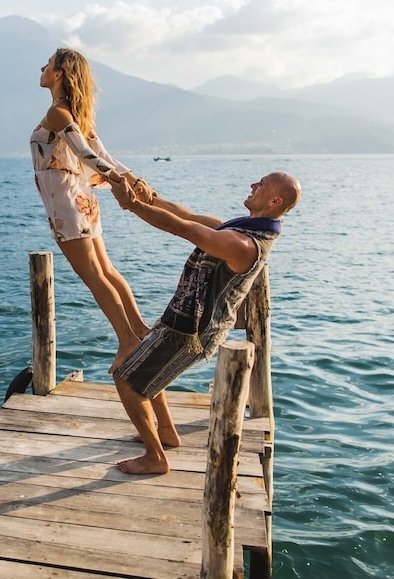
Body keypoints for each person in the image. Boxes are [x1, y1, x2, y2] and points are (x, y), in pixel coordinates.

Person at [108, 171, 301, 474]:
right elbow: (188, 216)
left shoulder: (245, 244)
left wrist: (132, 205)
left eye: (261, 184)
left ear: (275, 200)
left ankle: (155, 457)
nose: (253, 184)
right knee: (145, 371)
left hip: (194, 332)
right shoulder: (243, 228)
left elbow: (183, 228)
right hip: (182, 321)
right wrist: (151, 199)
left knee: (126, 379)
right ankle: (167, 432)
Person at [30, 48, 154, 364]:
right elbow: (102, 156)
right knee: (106, 270)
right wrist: (129, 178)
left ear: (58, 74)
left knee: (95, 276)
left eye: (48, 64)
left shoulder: (59, 114)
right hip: (82, 199)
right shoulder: (74, 114)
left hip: (66, 203)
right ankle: (140, 330)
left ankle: (128, 340)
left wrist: (121, 179)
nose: (42, 67)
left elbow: (88, 155)